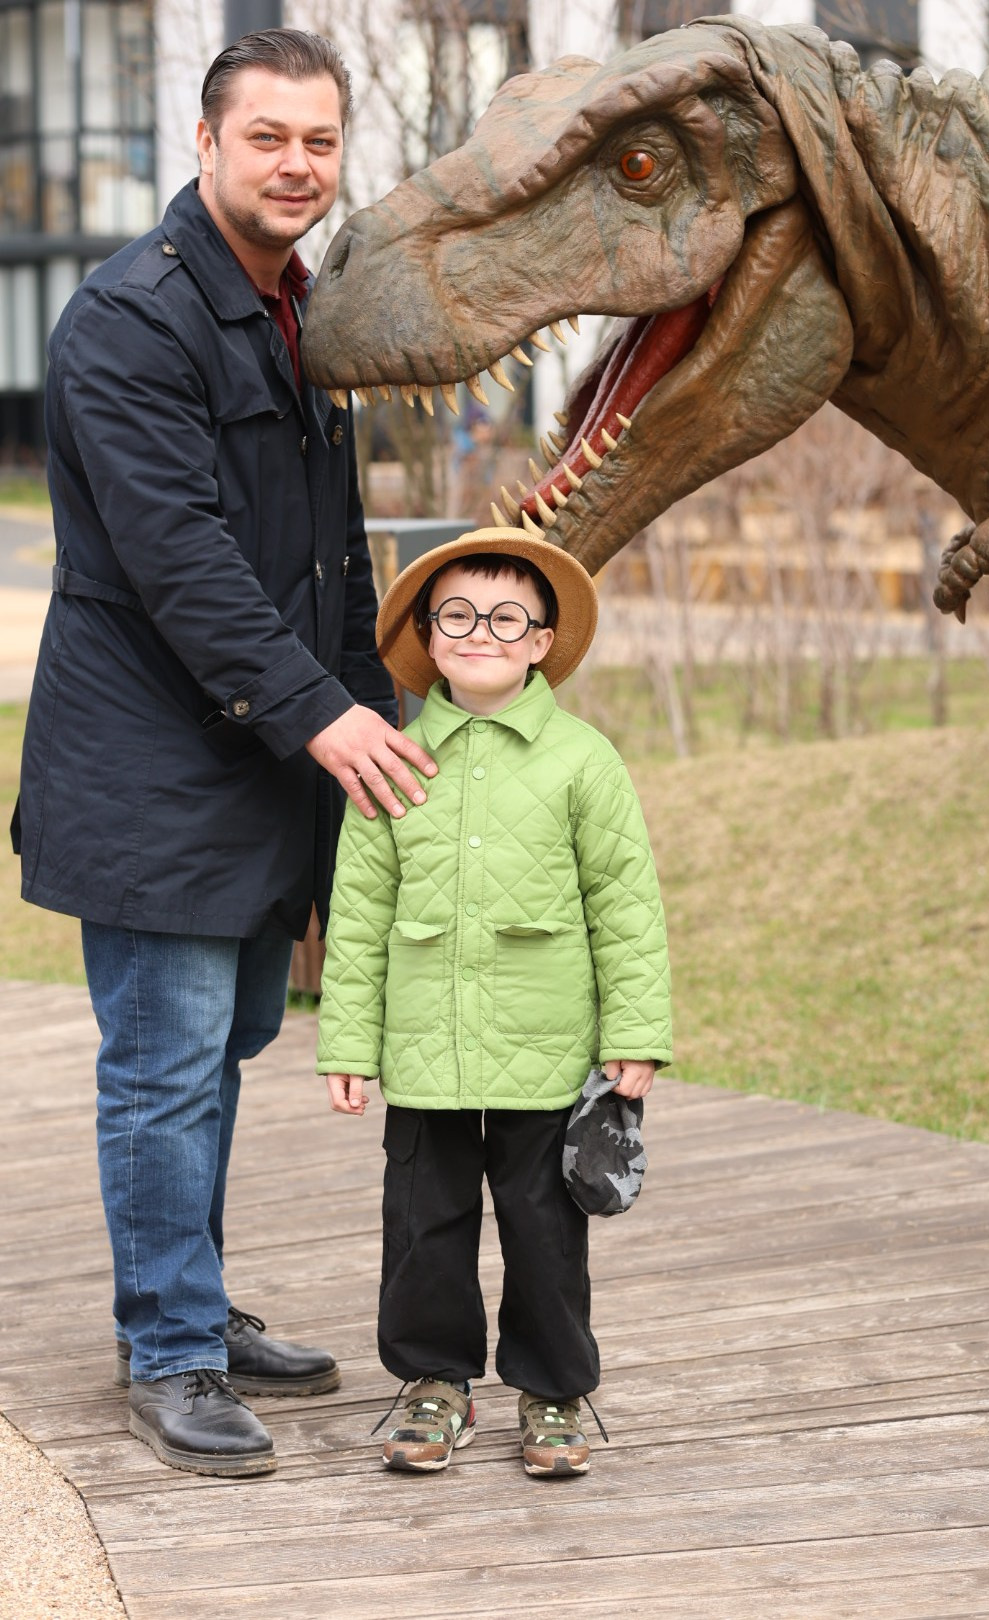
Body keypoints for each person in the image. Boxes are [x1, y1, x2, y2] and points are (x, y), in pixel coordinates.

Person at [12, 29, 437, 1480]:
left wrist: (381, 702)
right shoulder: (129, 322)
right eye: (271, 138)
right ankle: (171, 1348)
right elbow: (182, 563)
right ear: (208, 145)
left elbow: (330, 557)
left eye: (320, 141)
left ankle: (190, 1298)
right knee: (167, 1065)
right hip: (151, 764)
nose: (299, 165)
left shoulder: (304, 315)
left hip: (266, 757)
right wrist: (324, 717)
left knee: (229, 1046)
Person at [316, 526, 672, 1477]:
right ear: (428, 638)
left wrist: (635, 1032)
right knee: (423, 1224)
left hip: (547, 1047)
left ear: (542, 639)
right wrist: (349, 1045)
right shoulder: (389, 762)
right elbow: (358, 916)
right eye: (458, 615)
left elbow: (625, 905)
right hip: (426, 1047)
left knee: (544, 1227)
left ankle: (554, 1390)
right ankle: (434, 1383)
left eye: (506, 616)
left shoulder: (582, 761)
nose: (482, 632)